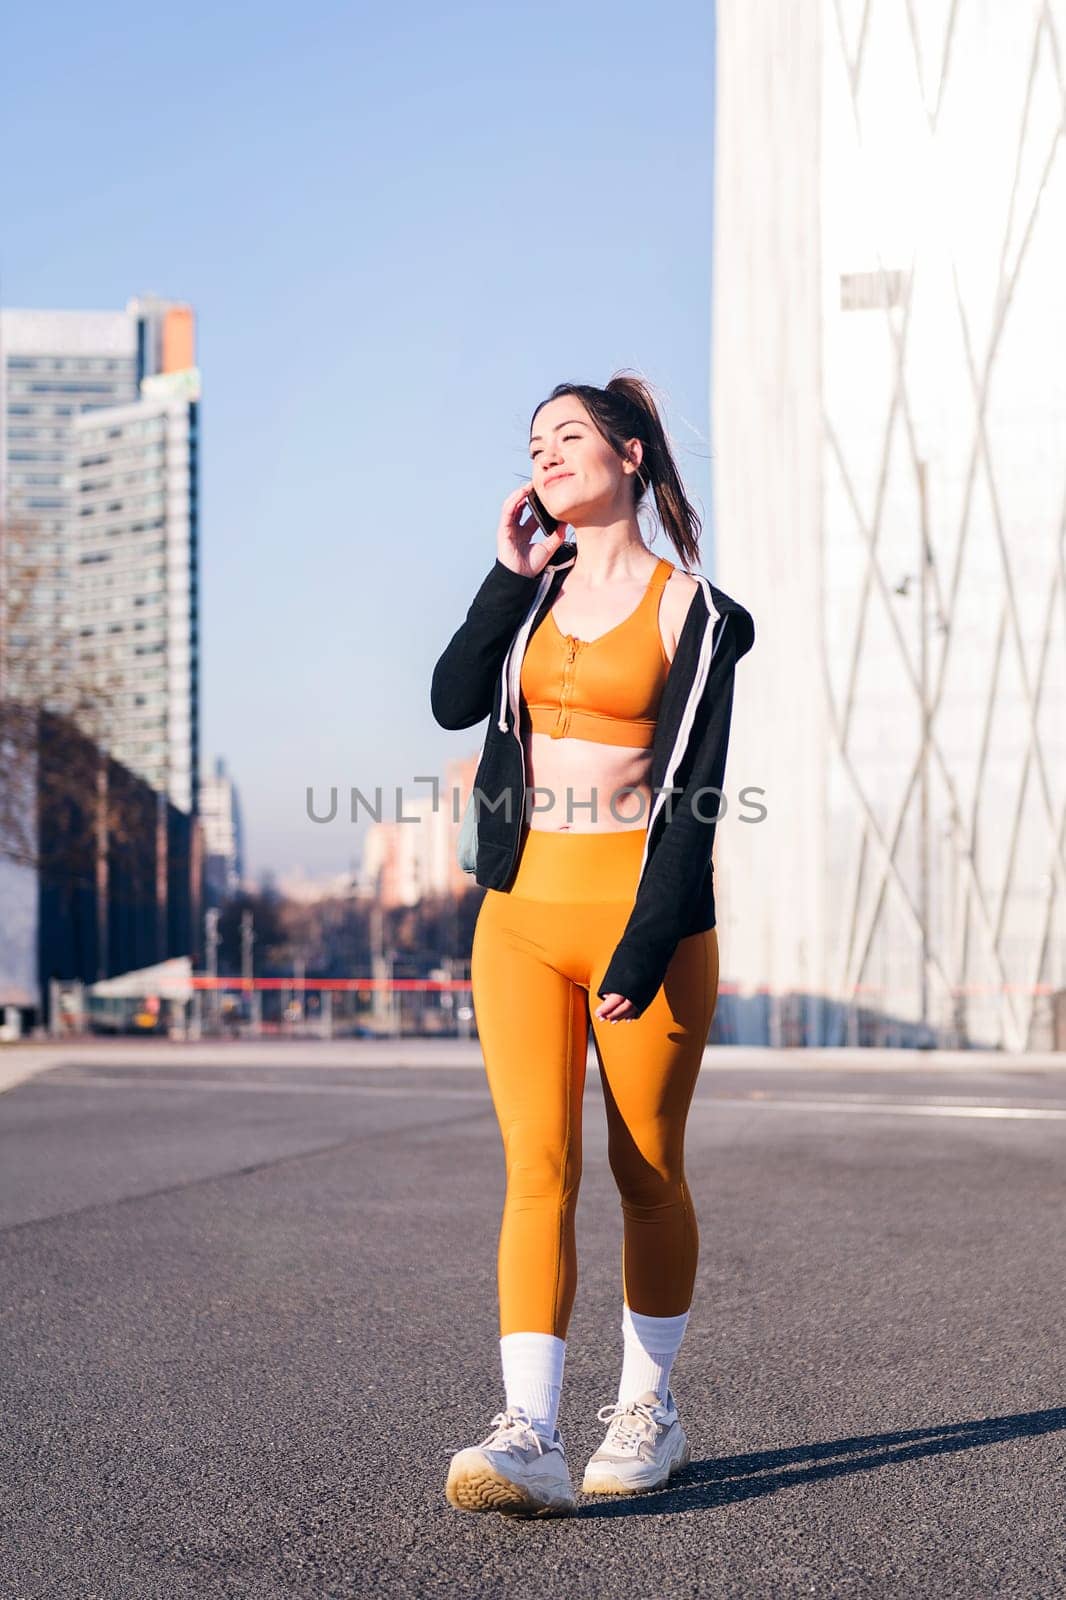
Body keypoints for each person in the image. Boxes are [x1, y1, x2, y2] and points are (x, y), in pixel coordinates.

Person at [431, 374, 755, 1517]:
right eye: (534, 444)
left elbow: (692, 800)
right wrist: (502, 575)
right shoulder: (531, 594)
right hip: (518, 914)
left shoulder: (696, 615)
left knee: (644, 1168)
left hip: (643, 918)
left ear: (626, 456)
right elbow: (449, 698)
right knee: (538, 1167)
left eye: (569, 436)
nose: (547, 454)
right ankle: (528, 1431)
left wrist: (642, 942)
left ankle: (648, 1409)